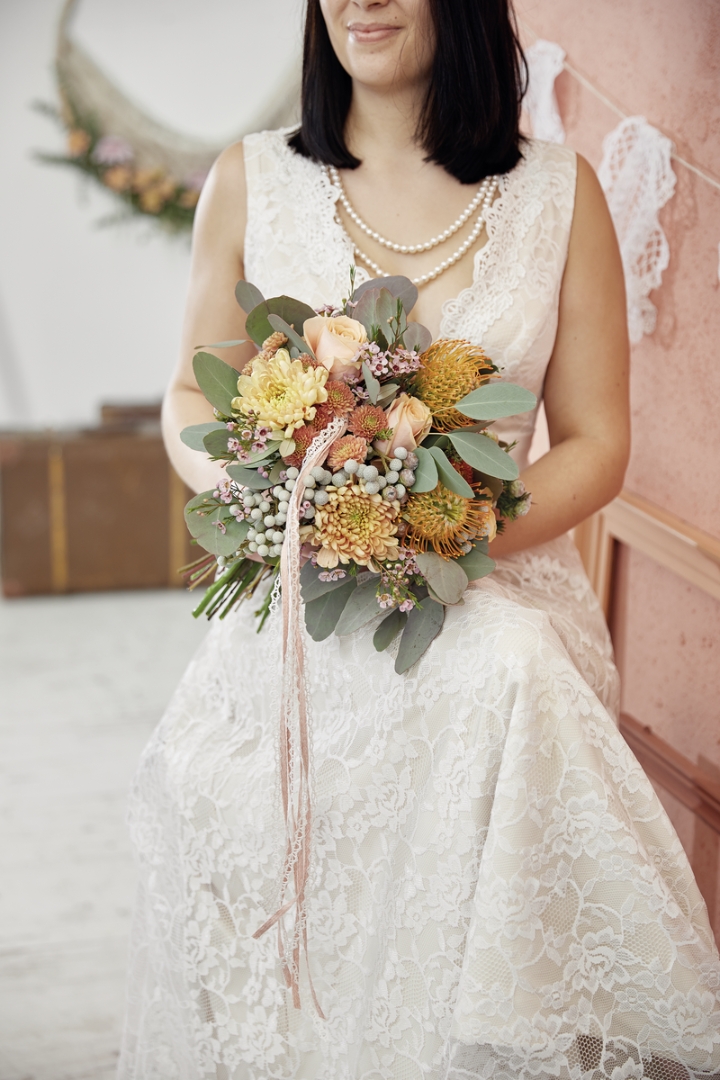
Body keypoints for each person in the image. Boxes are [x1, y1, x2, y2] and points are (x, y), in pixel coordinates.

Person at [118, 1, 720, 1077]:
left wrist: (449, 532)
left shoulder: (559, 193)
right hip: (307, 597)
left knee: (510, 671)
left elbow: (594, 442)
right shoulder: (250, 177)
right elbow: (183, 393)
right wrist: (270, 499)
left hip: (496, 588)